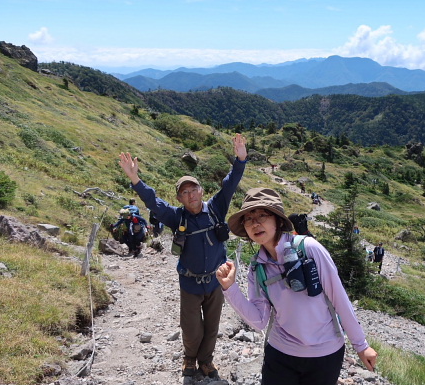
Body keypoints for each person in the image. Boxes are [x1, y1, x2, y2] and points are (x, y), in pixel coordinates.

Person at [117, 133, 248, 380]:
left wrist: (240, 159)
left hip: (216, 280)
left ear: (201, 190)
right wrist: (135, 178)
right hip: (189, 282)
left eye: (194, 189)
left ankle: (206, 362)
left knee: (212, 328)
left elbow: (230, 183)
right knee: (191, 329)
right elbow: (154, 203)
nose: (191, 195)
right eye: (184, 192)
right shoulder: (176, 217)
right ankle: (189, 359)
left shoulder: (216, 208)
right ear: (179, 198)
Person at [216, 187, 377, 385]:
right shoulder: (257, 267)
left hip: (325, 354)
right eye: (248, 219)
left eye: (262, 215)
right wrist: (230, 288)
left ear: (277, 219)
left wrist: (361, 346)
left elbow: (339, 298)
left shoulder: (309, 248)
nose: (255, 223)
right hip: (280, 354)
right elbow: (258, 320)